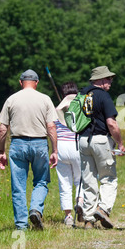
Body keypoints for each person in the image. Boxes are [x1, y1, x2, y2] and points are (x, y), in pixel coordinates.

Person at [0, 69, 58, 230]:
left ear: (20, 82)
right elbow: (51, 126)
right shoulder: (45, 99)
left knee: (18, 186)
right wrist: (54, 150)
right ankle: (36, 209)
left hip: (17, 143)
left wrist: (1, 152)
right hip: (39, 144)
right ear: (37, 83)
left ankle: (21, 226)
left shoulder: (11, 99)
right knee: (41, 181)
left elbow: (3, 128)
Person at [79, 66, 125, 229]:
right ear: (100, 80)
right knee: (108, 178)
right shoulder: (103, 96)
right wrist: (120, 142)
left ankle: (88, 219)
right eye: (108, 79)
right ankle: (103, 209)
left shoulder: (82, 95)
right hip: (100, 140)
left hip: (83, 140)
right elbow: (111, 123)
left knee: (89, 180)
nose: (111, 82)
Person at [55, 82, 84, 226]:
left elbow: (52, 129)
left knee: (64, 182)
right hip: (76, 145)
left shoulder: (56, 110)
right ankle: (80, 202)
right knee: (80, 179)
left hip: (60, 146)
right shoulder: (82, 108)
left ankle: (68, 216)